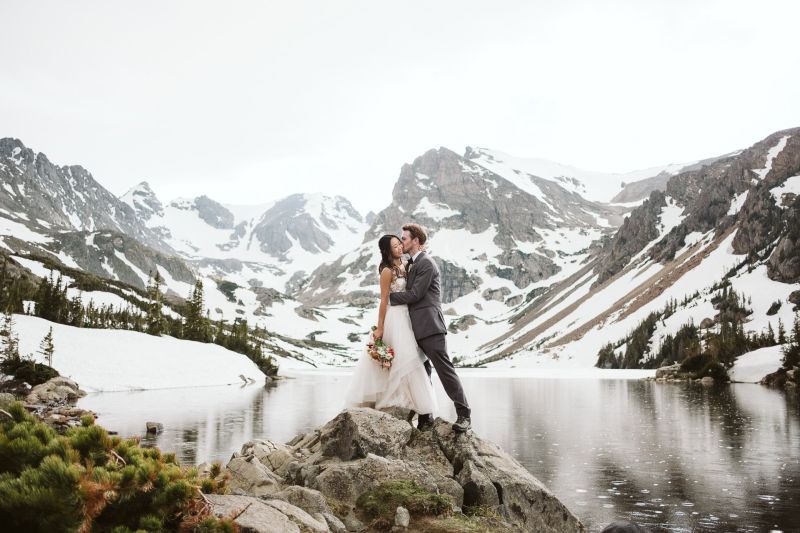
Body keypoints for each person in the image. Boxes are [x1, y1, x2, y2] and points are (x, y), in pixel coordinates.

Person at [344, 234, 437, 427]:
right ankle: (398, 402)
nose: (399, 248)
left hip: (408, 316)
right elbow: (384, 300)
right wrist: (380, 326)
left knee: (411, 360)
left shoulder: (405, 264)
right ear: (387, 251)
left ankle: (417, 409)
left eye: (399, 244)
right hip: (395, 317)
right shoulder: (386, 271)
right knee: (403, 357)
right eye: (395, 246)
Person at [389, 223, 472, 433]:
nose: (401, 242)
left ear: (416, 241)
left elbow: (415, 294)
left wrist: (388, 298)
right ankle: (426, 417)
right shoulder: (411, 264)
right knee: (421, 375)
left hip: (430, 327)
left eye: (405, 239)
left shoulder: (427, 264)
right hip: (414, 330)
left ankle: (464, 415)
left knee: (445, 371)